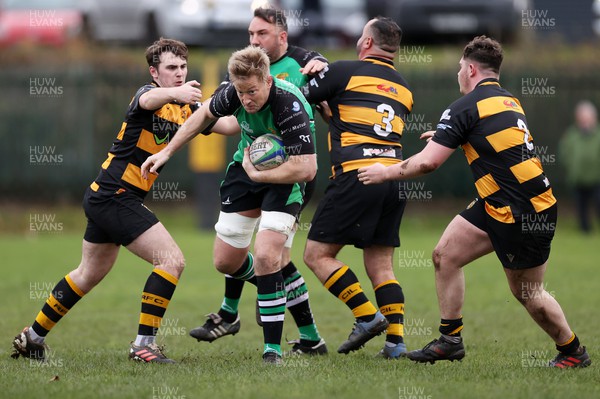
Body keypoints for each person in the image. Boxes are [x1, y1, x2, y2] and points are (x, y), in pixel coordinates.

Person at [358, 36, 591, 368]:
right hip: (504, 202)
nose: (457, 74)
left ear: (469, 69)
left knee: (528, 294)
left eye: (458, 68)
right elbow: (491, 140)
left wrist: (384, 173)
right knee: (445, 255)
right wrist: (445, 137)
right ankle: (450, 340)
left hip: (521, 212)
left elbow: (427, 163)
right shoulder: (507, 101)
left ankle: (573, 351)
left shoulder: (464, 106)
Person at [11, 38, 202, 364]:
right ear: (154, 72)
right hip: (116, 196)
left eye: (183, 67)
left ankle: (33, 337)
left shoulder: (186, 106)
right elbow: (149, 99)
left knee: (88, 273)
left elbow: (222, 122)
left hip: (105, 197)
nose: (180, 73)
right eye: (172, 68)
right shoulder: (148, 94)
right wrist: (174, 92)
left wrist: (240, 102)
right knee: (171, 261)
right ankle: (143, 345)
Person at [141, 45, 317, 364]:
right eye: (240, 91)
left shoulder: (288, 104)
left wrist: (258, 173)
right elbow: (204, 115)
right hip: (246, 171)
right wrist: (167, 152)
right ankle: (267, 294)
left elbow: (307, 168)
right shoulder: (234, 94)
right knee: (225, 261)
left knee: (266, 255)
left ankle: (272, 351)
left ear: (267, 80)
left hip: (289, 177)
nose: (246, 99)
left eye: (252, 91)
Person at [187, 6, 329, 356]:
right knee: (266, 261)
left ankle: (250, 326)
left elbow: (326, 106)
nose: (254, 40)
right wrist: (202, 119)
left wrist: (323, 78)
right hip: (253, 167)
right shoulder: (246, 70)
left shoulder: (305, 63)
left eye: (261, 34)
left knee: (271, 257)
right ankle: (305, 334)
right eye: (250, 34)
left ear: (282, 36)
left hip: (293, 171)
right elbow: (233, 121)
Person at [301, 17, 413, 358]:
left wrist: (312, 70)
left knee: (317, 255)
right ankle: (395, 344)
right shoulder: (405, 89)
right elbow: (360, 121)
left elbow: (298, 95)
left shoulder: (344, 71)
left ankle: (366, 316)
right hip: (393, 178)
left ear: (366, 42)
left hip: (356, 175)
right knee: (381, 264)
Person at [559, 100, 600, 234]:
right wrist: (571, 167)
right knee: (581, 205)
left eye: (588, 118)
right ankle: (584, 228)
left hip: (596, 177)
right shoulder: (571, 134)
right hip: (578, 178)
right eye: (582, 118)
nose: (585, 121)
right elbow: (564, 151)